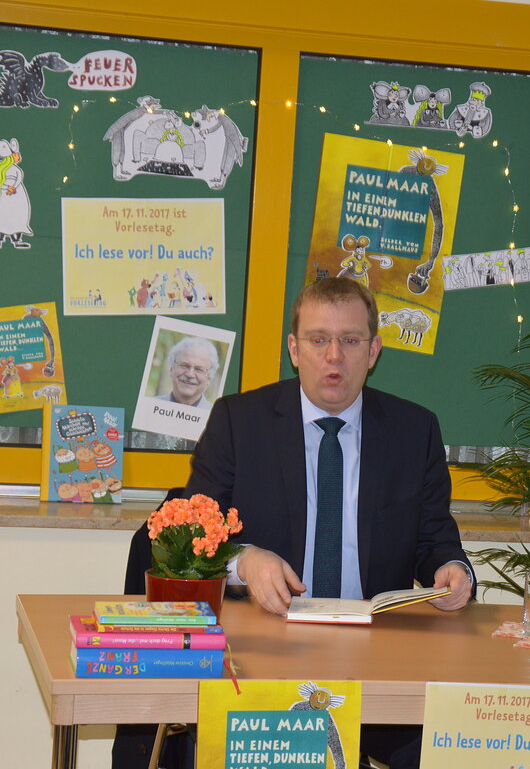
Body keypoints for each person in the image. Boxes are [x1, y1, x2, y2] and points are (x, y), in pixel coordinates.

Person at [182, 276, 475, 768]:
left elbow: (434, 539)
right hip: (268, 652)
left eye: (350, 340)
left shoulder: (414, 430)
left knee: (453, 743)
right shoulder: (239, 421)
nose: (334, 356)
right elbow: (191, 535)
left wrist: (453, 570)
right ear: (294, 350)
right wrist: (244, 561)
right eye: (318, 340)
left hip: (380, 656)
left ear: (373, 351)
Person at [155, 335, 218, 408]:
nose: (190, 374)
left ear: (209, 378)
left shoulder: (216, 414)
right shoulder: (149, 405)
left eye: (199, 369)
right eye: (184, 366)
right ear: (171, 369)